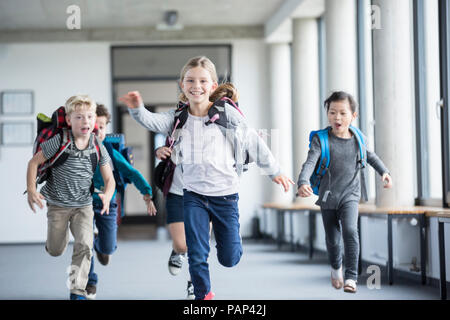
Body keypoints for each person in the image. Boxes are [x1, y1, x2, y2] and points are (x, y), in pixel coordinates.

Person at [120, 56, 294, 300]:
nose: (196, 85)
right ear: (182, 85)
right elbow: (151, 121)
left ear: (212, 86)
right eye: (190, 80)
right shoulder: (178, 117)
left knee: (229, 258)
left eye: (203, 81)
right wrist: (137, 107)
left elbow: (253, 140)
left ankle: (228, 248)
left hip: (226, 196)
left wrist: (275, 171)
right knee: (196, 253)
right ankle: (203, 295)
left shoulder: (226, 114)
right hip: (193, 196)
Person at [297, 91, 393, 293]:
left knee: (350, 230)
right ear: (327, 113)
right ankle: (335, 266)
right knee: (332, 239)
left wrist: (384, 172)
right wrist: (303, 181)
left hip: (350, 195)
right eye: (332, 112)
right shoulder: (321, 140)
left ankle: (351, 277)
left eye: (342, 113)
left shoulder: (358, 139)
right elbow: (310, 162)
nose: (337, 118)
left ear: (353, 116)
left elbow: (371, 156)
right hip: (327, 196)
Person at [26, 95, 115, 300]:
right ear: (68, 120)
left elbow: (109, 179)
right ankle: (57, 240)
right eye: (79, 117)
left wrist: (107, 196)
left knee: (85, 245)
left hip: (84, 206)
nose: (85, 121)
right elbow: (33, 163)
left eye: (89, 117)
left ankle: (78, 291)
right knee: (56, 250)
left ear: (94, 120)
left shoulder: (97, 145)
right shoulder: (59, 140)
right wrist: (31, 189)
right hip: (58, 205)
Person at [85, 103, 157, 299]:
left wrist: (147, 193)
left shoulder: (110, 152)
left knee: (108, 247)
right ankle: (90, 282)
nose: (97, 130)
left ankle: (102, 247)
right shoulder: (77, 149)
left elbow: (132, 173)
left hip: (107, 203)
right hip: (83, 204)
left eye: (102, 125)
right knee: (85, 243)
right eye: (94, 124)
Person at [155, 146, 194, 299]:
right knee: (181, 245)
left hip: (206, 193)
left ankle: (195, 283)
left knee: (200, 244)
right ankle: (178, 251)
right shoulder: (178, 123)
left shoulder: (216, 125)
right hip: (177, 192)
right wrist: (159, 150)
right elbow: (166, 140)